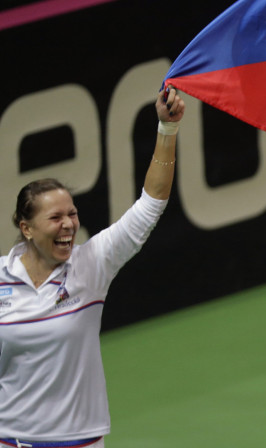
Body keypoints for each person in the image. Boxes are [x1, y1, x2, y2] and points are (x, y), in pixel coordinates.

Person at [0, 87, 184, 448]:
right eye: (55, 217)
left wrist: (167, 130)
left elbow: (151, 204)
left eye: (72, 214)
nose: (68, 224)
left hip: (78, 442)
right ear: (27, 228)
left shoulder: (92, 264)